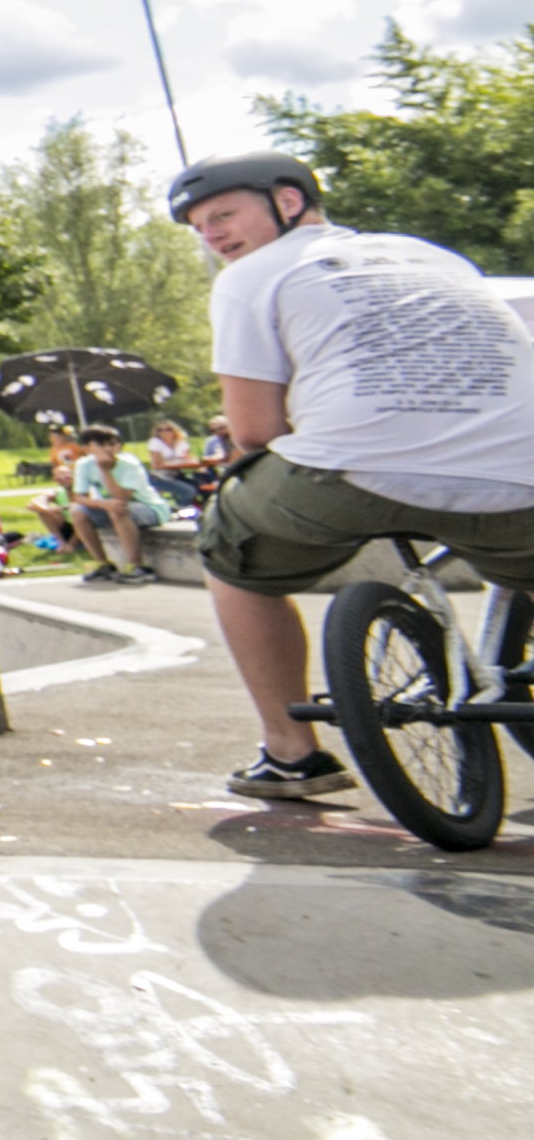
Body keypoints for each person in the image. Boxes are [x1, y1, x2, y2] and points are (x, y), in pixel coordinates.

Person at [172, 150, 534, 800]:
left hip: (344, 478)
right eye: (199, 228)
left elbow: (252, 430)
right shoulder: (438, 257)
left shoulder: (249, 277)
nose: (212, 236)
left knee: (229, 553)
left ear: (288, 201)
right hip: (519, 477)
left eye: (222, 215)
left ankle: (291, 754)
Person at [66, 427, 173, 586]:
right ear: (86, 449)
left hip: (150, 508)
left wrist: (105, 471)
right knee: (77, 512)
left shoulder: (129, 463)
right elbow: (79, 497)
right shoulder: (84, 464)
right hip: (112, 507)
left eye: (112, 444)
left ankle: (137, 566)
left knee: (118, 510)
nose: (109, 448)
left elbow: (121, 497)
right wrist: (101, 503)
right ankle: (103, 564)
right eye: (101, 445)